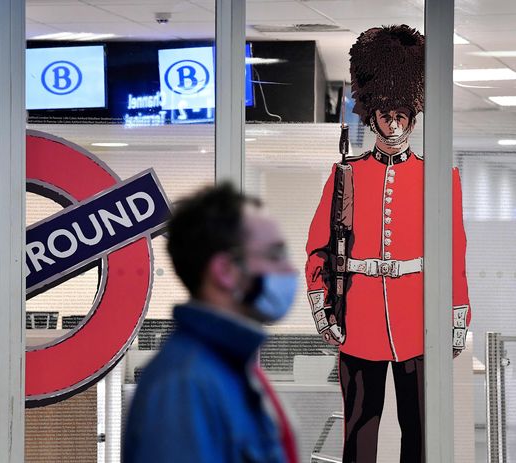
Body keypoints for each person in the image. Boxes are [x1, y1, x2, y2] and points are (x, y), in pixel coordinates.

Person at [305, 25, 471, 462]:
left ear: (413, 115)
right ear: (371, 114)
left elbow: (454, 254)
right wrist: (324, 309)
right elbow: (319, 249)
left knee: (420, 433)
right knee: (360, 431)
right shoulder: (347, 174)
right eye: (386, 114)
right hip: (359, 321)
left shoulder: (442, 177)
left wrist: (456, 316)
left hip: (419, 322)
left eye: (402, 114)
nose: (394, 123)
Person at [123, 183, 299, 463]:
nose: (290, 270)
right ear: (226, 271)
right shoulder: (184, 386)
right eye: (275, 255)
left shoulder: (230, 367)